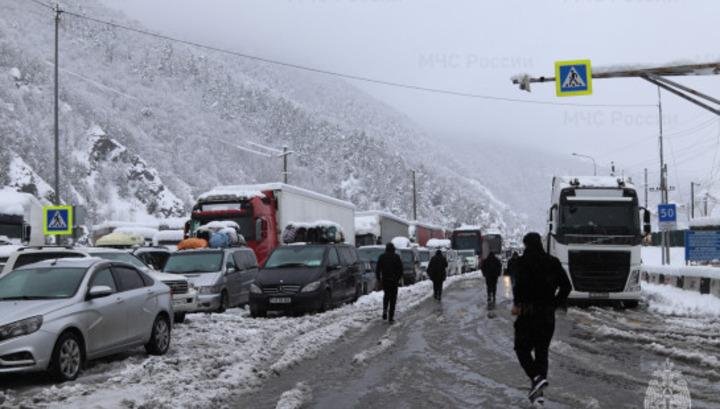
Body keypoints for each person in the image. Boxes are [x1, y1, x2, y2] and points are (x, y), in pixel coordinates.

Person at [512, 232, 571, 405]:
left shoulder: (520, 263)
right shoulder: (552, 262)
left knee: (521, 349)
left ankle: (536, 378)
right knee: (542, 352)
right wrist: (554, 303)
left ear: (526, 245)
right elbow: (566, 286)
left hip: (527, 314)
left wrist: (518, 308)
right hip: (546, 316)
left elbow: (517, 290)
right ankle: (538, 394)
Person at [375, 242, 404, 323]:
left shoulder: (382, 257)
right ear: (393, 249)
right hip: (394, 281)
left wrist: (379, 279)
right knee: (393, 299)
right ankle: (391, 317)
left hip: (385, 280)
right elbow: (401, 270)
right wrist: (398, 278)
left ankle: (384, 309)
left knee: (386, 296)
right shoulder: (396, 257)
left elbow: (378, 269)